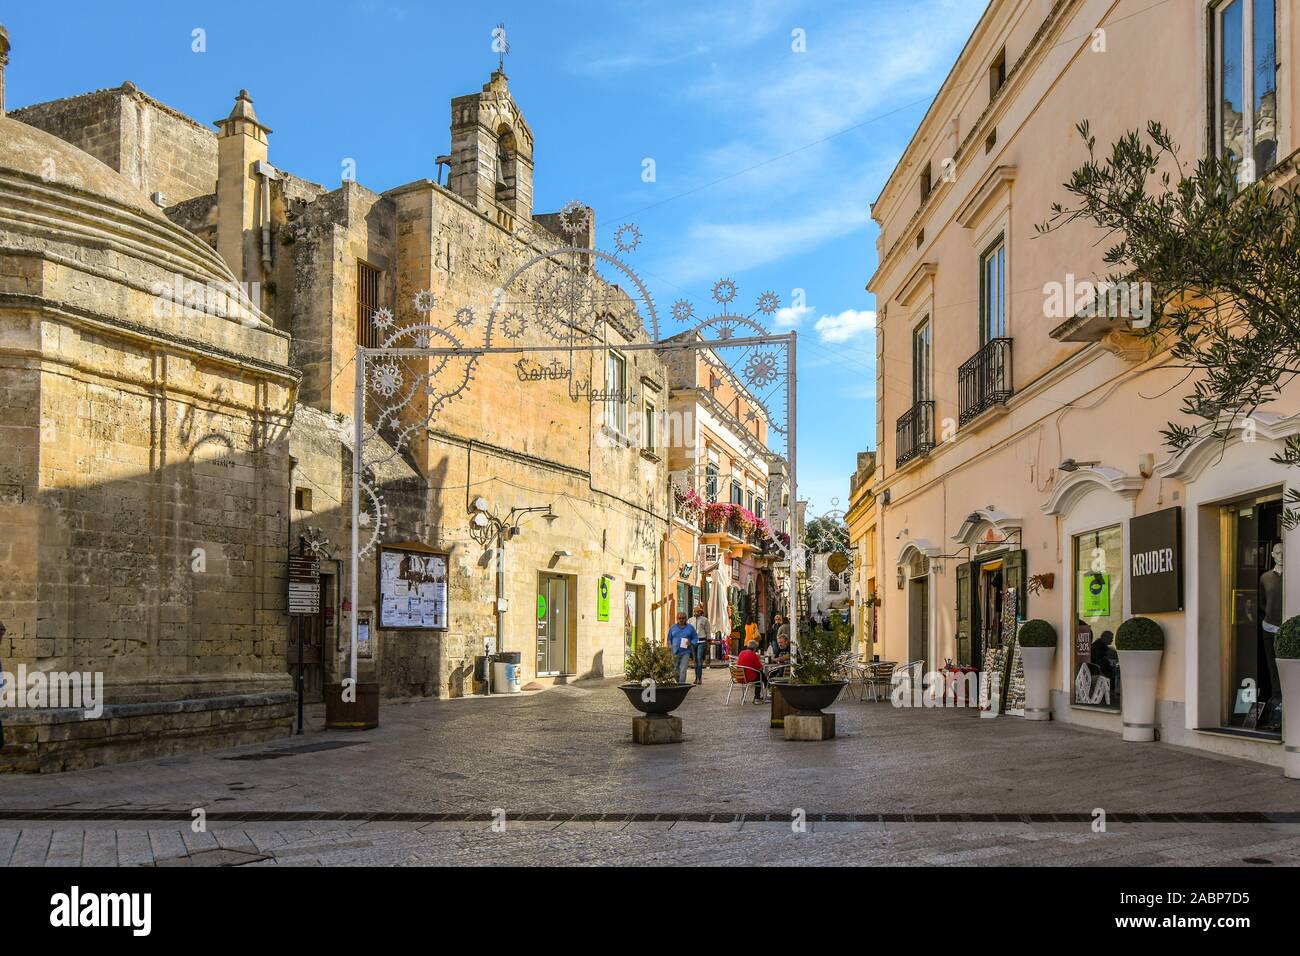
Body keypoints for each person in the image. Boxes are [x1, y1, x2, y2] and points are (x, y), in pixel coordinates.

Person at [667, 611, 698, 685]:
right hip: (674, 652)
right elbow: (669, 639)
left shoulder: (690, 628)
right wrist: (669, 647)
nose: (681, 620)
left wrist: (691, 643)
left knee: (683, 669)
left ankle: (681, 685)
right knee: (675, 670)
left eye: (683, 618)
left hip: (685, 652)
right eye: (680, 618)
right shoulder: (673, 627)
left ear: (686, 619)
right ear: (677, 618)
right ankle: (677, 682)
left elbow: (695, 638)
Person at [688, 605, 711, 685]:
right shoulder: (690, 620)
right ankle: (696, 677)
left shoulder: (705, 620)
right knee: (695, 660)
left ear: (701, 612)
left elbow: (708, 631)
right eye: (695, 611)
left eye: (698, 611)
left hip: (702, 641)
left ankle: (699, 678)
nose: (696, 612)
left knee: (699, 658)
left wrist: (708, 642)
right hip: (693, 642)